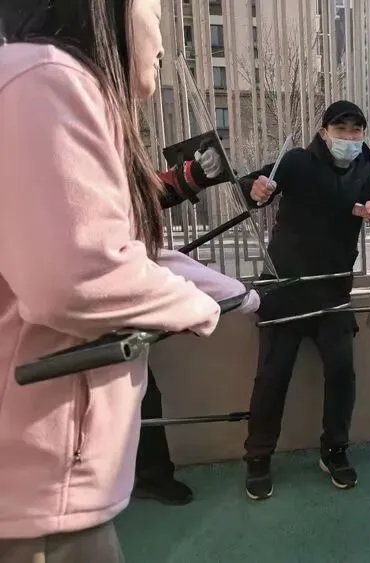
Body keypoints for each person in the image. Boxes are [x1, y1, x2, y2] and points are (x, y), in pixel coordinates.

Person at [0, 0, 255, 560]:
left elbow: (118, 251)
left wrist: (228, 292)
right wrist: (196, 306)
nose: (163, 46)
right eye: (157, 18)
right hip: (34, 482)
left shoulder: (51, 84)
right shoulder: (48, 78)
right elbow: (79, 278)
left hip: (46, 478)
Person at [238, 100, 370, 500]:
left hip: (333, 293)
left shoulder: (364, 172)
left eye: (355, 130)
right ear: (324, 132)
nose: (349, 137)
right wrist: (256, 189)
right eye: (340, 129)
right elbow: (252, 185)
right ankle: (258, 456)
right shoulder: (297, 162)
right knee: (272, 377)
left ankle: (334, 450)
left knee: (342, 373)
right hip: (284, 290)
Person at [133, 146, 229, 506]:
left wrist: (193, 176)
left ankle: (151, 476)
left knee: (140, 391)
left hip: (109, 300)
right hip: (51, 310)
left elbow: (141, 192)